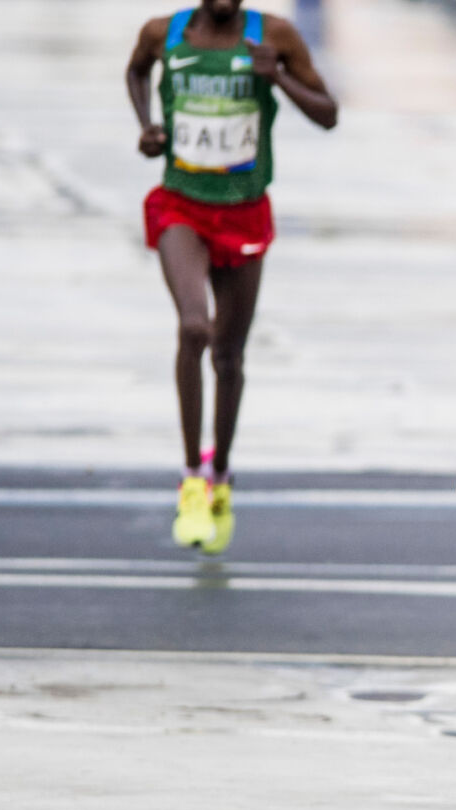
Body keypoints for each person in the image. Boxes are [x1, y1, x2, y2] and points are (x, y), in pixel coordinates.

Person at [127, 0, 337, 553]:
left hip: (243, 210)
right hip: (181, 207)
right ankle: (191, 478)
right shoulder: (163, 33)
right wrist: (148, 125)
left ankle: (220, 474)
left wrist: (280, 78)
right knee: (195, 327)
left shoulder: (275, 36)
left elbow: (328, 113)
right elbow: (135, 69)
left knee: (229, 354)